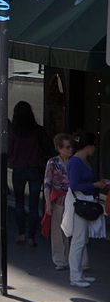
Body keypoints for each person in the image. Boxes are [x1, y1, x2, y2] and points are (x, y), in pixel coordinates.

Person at [64, 132, 108, 287]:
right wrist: (95, 185)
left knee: (81, 240)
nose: (95, 149)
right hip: (80, 202)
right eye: (94, 146)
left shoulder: (80, 160)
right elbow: (74, 185)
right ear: (89, 146)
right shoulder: (77, 162)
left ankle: (78, 274)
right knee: (78, 240)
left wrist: (95, 184)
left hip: (83, 201)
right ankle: (75, 276)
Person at [8, 100, 53, 247]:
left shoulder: (14, 132)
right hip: (35, 168)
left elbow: (9, 150)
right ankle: (31, 236)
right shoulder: (38, 130)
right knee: (34, 204)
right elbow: (48, 149)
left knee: (19, 202)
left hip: (19, 169)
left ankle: (21, 233)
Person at [44, 133, 81, 271]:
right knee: (58, 232)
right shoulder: (52, 162)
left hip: (72, 199)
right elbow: (47, 184)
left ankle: (73, 259)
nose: (70, 150)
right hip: (59, 200)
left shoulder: (74, 162)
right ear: (59, 148)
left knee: (73, 230)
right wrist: (48, 203)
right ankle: (60, 259)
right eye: (67, 147)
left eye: (71, 147)